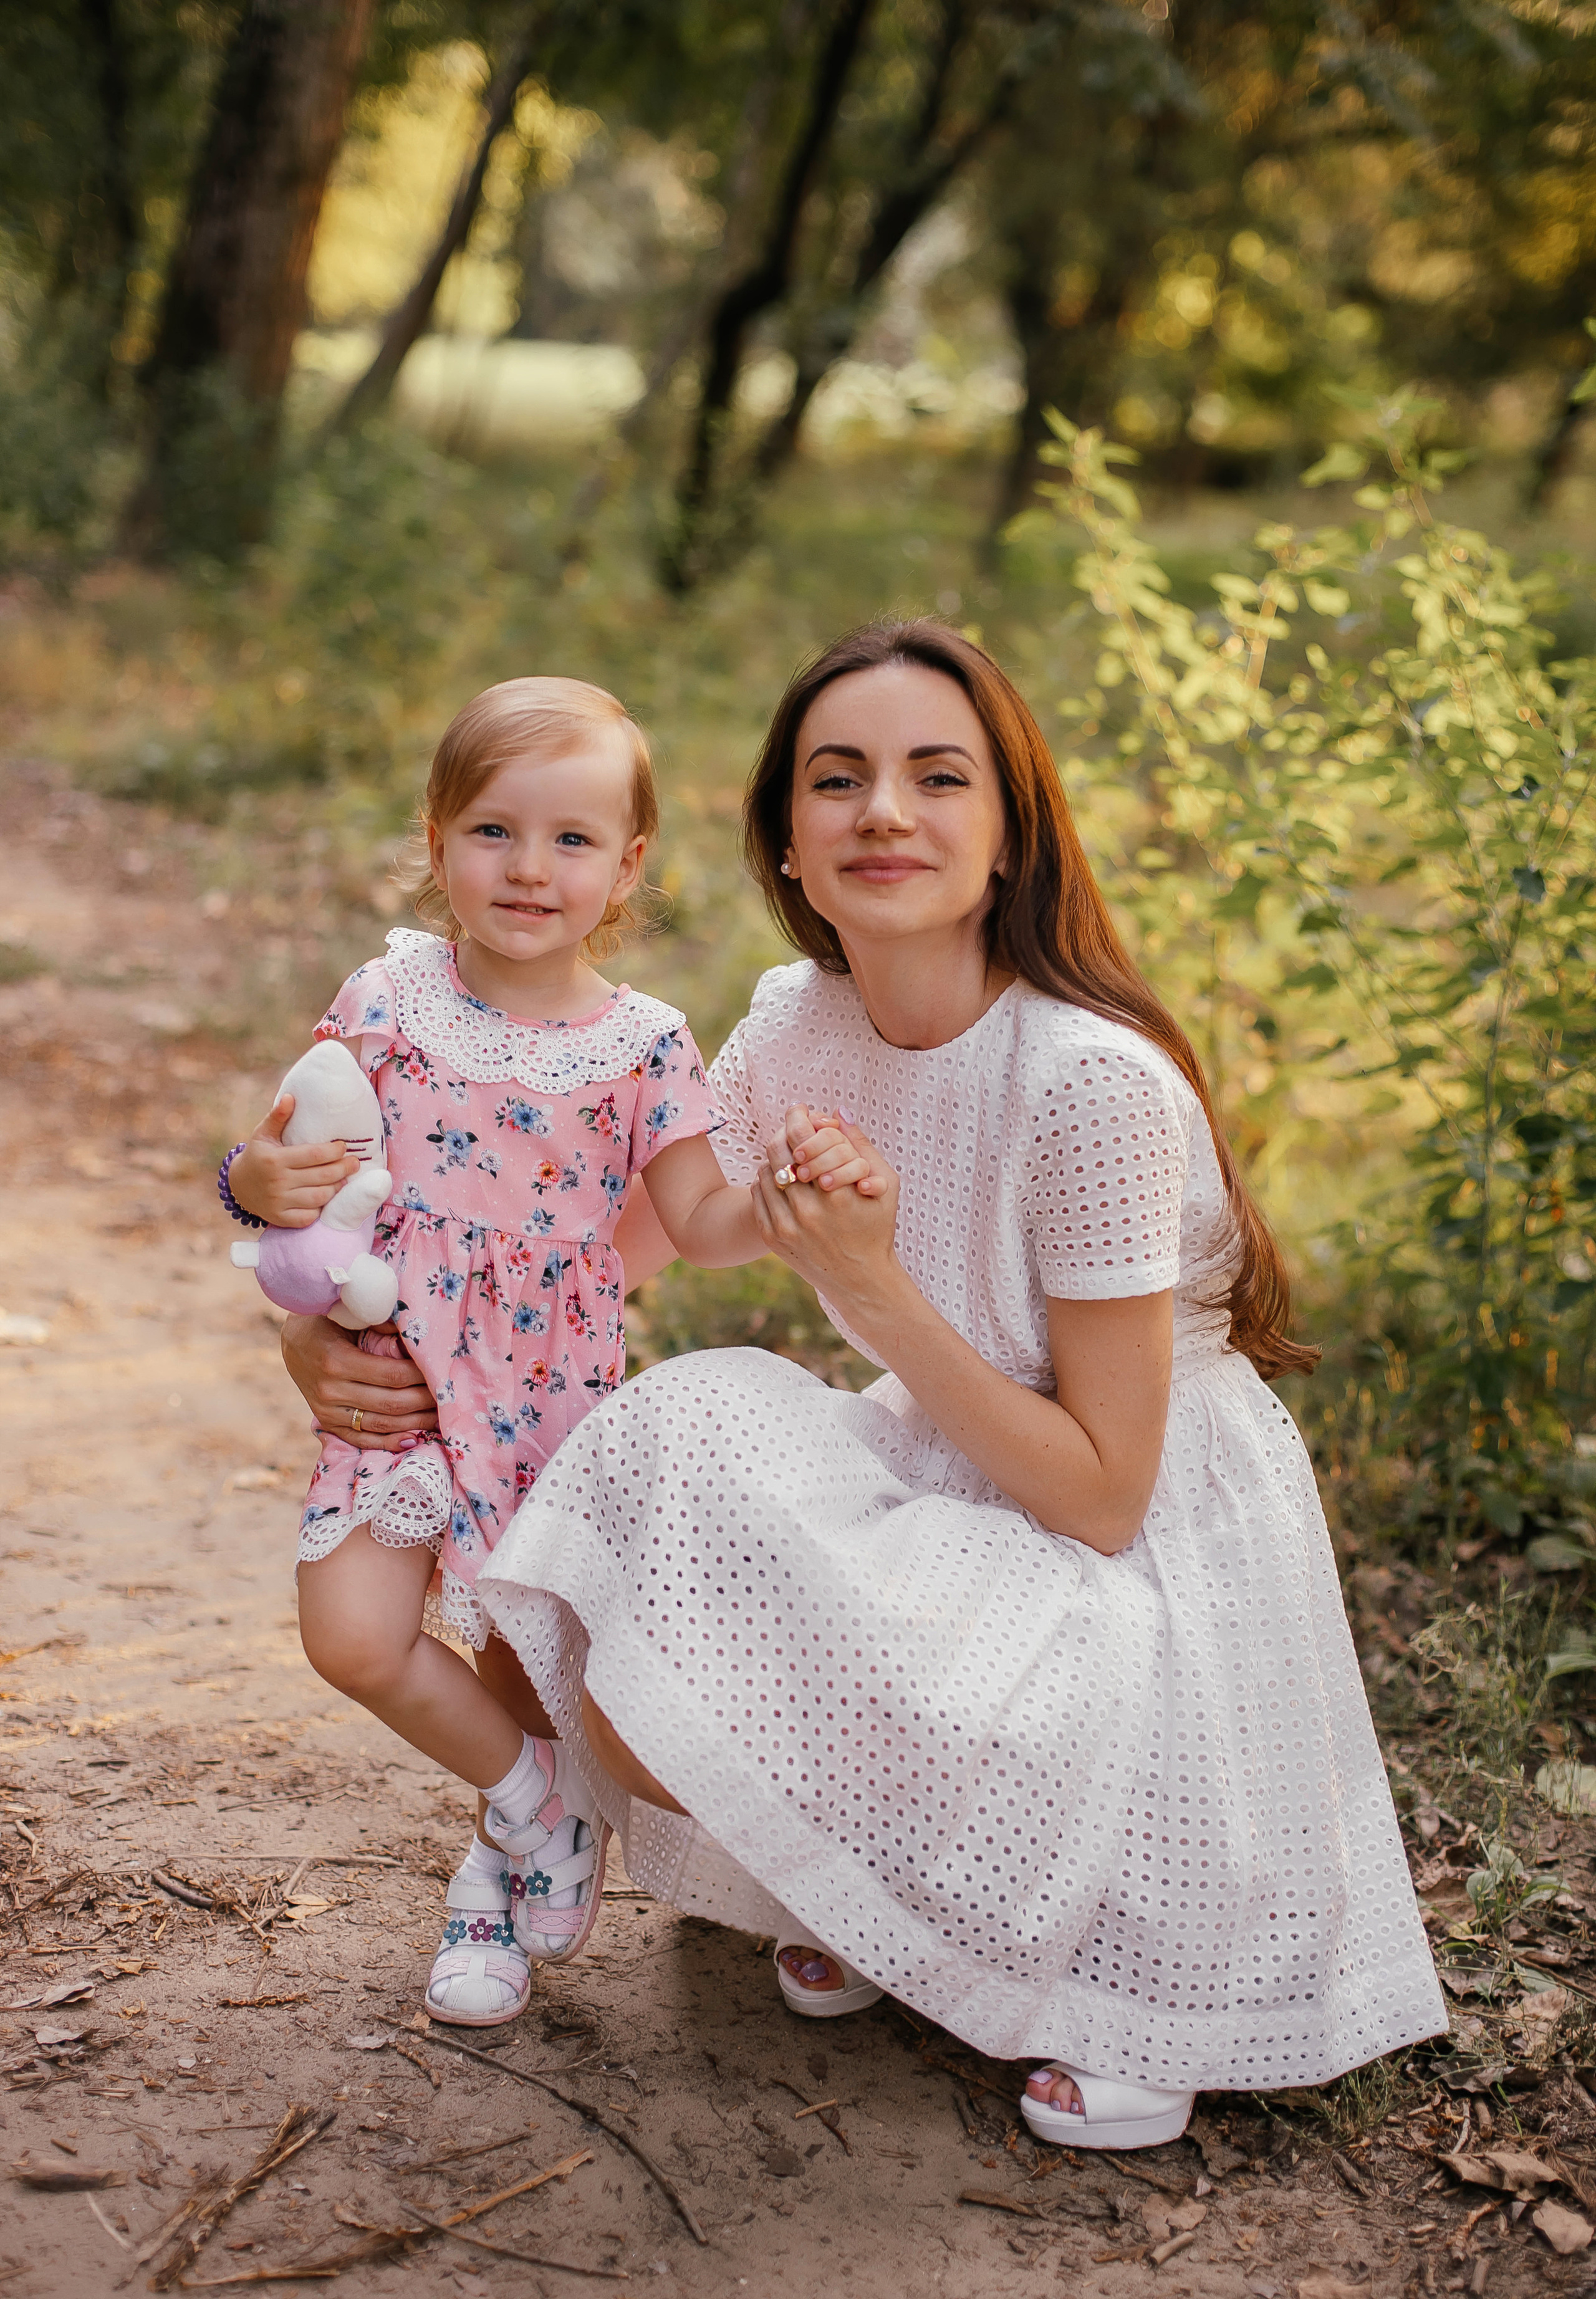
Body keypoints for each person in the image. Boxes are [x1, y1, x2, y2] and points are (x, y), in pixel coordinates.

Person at [284, 622, 1446, 2151]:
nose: (883, 810)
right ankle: (796, 1878)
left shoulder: (1089, 1081)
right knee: (661, 1429)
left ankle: (1082, 1954)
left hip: (1131, 1545)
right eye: (837, 779)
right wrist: (347, 1335)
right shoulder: (797, 1020)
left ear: (1009, 827)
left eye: (936, 777)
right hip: (941, 1462)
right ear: (785, 835)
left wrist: (876, 1283)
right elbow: (586, 1264)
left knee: (711, 1447)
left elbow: (1103, 1496)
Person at [218, 674, 863, 2030]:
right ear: (437, 838)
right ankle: (541, 1803)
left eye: (572, 839)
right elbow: (292, 1158)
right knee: (352, 1637)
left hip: (545, 1400)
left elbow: (699, 1222)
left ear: (626, 865)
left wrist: (782, 1199)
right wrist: (250, 1182)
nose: (528, 868)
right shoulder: (388, 997)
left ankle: (486, 1884)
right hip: (399, 1381)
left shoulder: (643, 1045)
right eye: (493, 831)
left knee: (515, 1661)